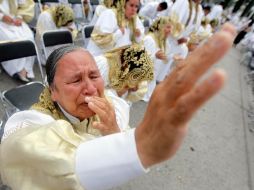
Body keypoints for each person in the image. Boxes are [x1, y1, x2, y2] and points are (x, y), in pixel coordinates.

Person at [0, 23, 236, 190]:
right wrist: (139, 147)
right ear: (52, 91)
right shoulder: (31, 123)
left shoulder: (110, 101)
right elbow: (31, 154)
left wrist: (113, 133)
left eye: (94, 76)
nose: (91, 89)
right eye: (75, 80)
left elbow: (119, 108)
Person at [0, 0, 35, 82]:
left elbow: (23, 6)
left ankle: (27, 68)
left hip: (15, 19)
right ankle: (17, 69)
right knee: (10, 38)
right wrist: (2, 17)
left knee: (28, 37)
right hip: (1, 21)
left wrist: (19, 17)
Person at [142, 16, 174, 102]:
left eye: (171, 28)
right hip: (142, 82)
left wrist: (173, 57)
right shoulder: (150, 39)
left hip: (151, 80)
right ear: (160, 26)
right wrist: (155, 56)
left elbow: (166, 55)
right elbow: (140, 60)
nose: (170, 31)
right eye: (168, 27)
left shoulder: (163, 41)